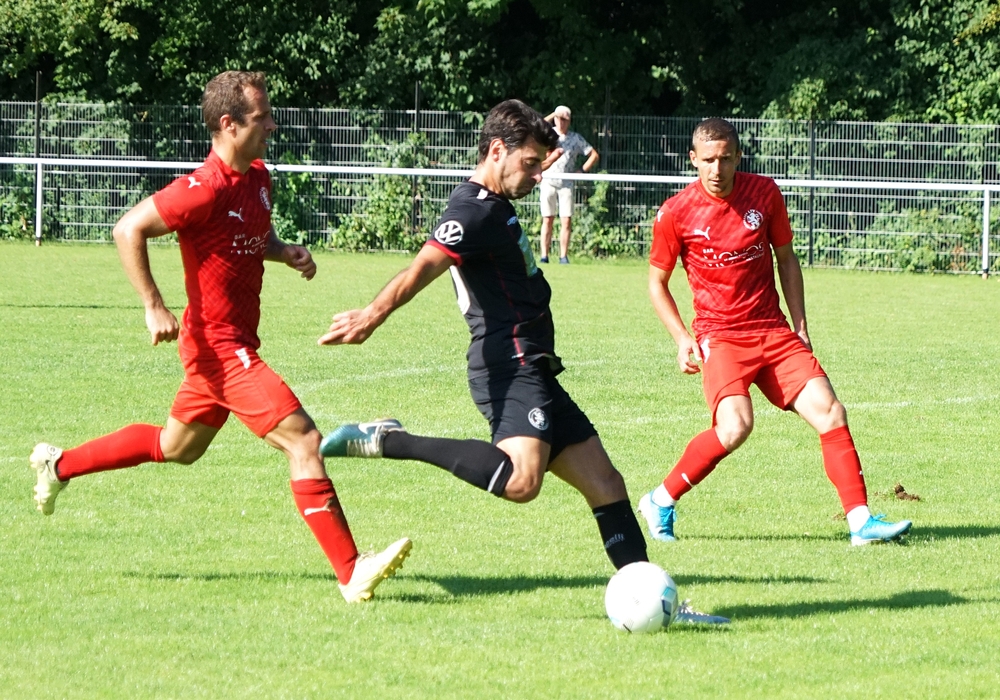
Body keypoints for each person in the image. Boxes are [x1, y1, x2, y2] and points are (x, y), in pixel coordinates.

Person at [28, 70, 411, 603]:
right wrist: (154, 306)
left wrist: (283, 252)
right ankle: (351, 572)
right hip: (219, 348)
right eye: (262, 118)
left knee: (176, 447)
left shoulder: (258, 177)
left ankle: (59, 464)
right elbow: (127, 228)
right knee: (303, 440)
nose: (272, 126)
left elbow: (249, 234)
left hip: (228, 344)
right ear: (229, 124)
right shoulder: (200, 189)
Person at [317, 99, 648, 573]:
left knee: (606, 484)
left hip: (534, 363)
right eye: (530, 163)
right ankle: (392, 440)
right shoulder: (471, 210)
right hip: (509, 363)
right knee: (521, 481)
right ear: (496, 151)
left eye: (541, 164)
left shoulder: (495, 204)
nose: (538, 175)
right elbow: (424, 265)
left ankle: (652, 593)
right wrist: (373, 314)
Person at [638, 117, 913, 547]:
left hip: (772, 329)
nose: (716, 169)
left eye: (725, 158)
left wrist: (800, 326)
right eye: (708, 160)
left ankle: (860, 523)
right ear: (693, 159)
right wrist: (681, 338)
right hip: (720, 335)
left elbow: (786, 259)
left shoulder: (764, 193)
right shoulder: (676, 212)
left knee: (830, 412)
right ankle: (660, 500)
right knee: (735, 427)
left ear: (738, 156)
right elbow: (657, 283)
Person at [538, 105, 599, 264]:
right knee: (547, 219)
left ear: (569, 121)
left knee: (566, 220)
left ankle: (563, 256)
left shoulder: (575, 138)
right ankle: (544, 256)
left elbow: (593, 155)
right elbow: (537, 125)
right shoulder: (549, 134)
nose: (561, 122)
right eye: (558, 118)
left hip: (566, 183)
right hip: (548, 180)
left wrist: (581, 171)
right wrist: (554, 113)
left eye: (564, 119)